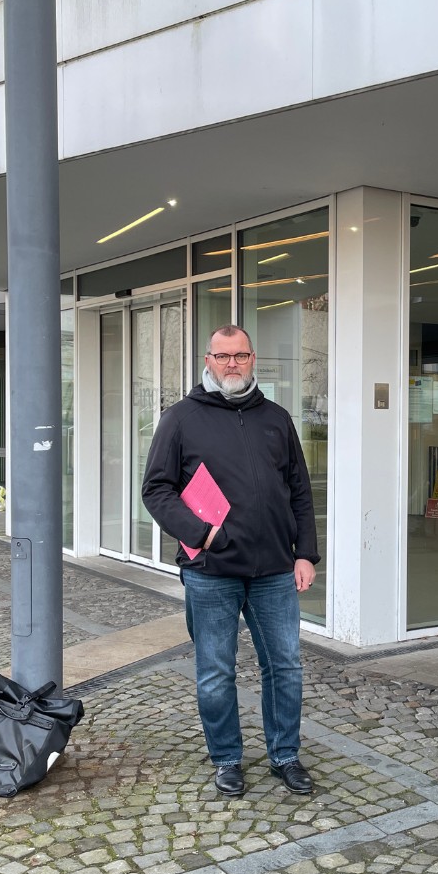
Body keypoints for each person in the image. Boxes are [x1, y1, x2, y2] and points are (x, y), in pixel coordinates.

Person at [142, 325, 319, 798]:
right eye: (223, 357)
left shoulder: (277, 419)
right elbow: (155, 489)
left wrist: (306, 553)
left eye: (240, 356)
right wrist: (199, 533)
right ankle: (227, 758)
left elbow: (299, 491)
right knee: (216, 671)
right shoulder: (181, 418)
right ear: (208, 360)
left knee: (285, 667)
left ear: (253, 358)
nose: (232, 364)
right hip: (211, 572)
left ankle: (285, 756)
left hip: (275, 571)